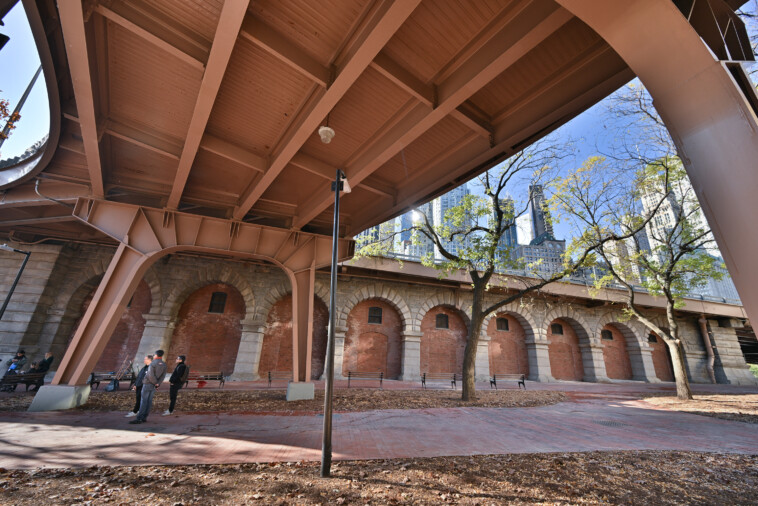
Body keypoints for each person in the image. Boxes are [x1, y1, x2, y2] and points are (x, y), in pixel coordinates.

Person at [129, 349, 166, 425]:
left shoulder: (152, 363)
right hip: (154, 385)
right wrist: (157, 384)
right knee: (149, 402)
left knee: (143, 401)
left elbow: (150, 375)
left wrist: (155, 382)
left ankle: (139, 418)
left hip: (147, 384)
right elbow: (163, 376)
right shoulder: (164, 364)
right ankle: (144, 417)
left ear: (156, 355)